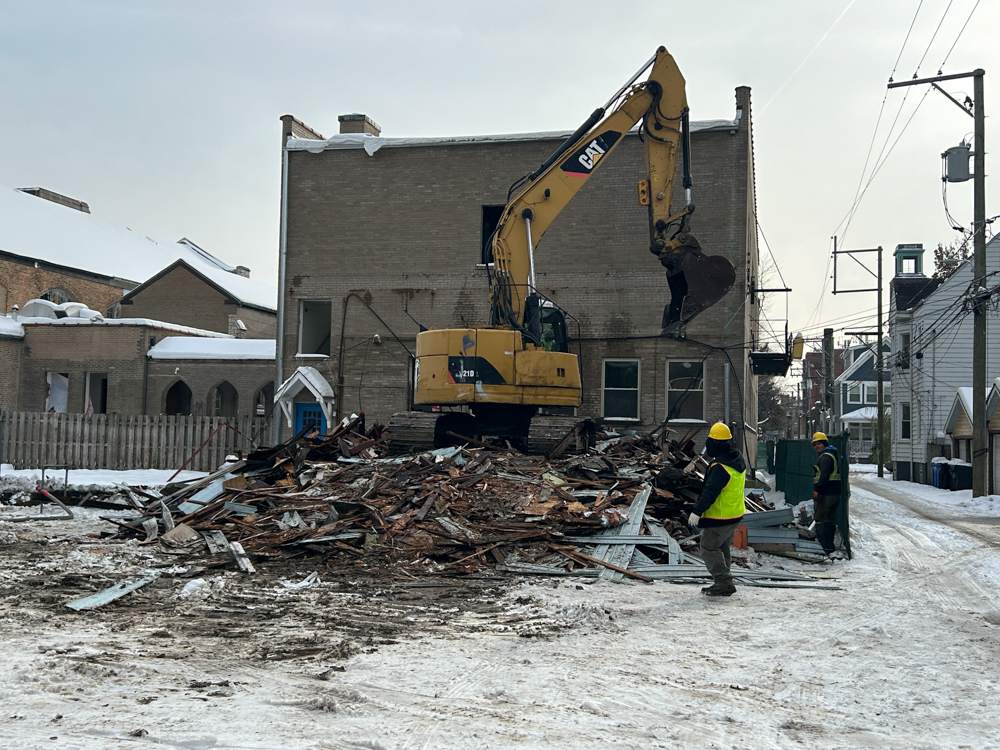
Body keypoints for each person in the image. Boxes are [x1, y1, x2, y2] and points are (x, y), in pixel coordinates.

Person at [687, 422, 747, 597]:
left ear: (714, 443)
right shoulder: (737, 459)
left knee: (708, 547)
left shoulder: (720, 467)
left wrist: (697, 512)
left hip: (719, 517)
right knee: (722, 548)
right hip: (734, 514)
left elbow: (710, 493)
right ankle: (723, 580)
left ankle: (723, 582)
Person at [811, 431, 842, 556]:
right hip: (834, 493)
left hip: (827, 493)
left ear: (824, 444)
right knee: (829, 520)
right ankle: (830, 548)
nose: (816, 447)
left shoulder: (825, 457)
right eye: (814, 445)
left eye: (818, 444)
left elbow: (824, 476)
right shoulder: (832, 455)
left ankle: (824, 548)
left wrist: (817, 489)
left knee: (820, 518)